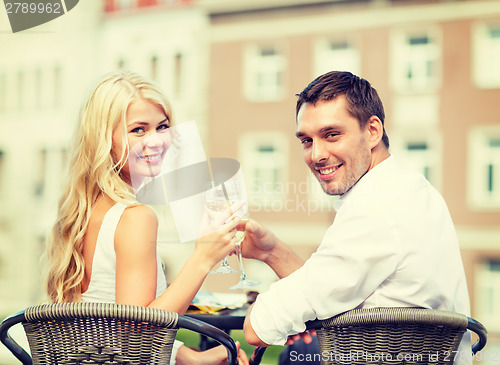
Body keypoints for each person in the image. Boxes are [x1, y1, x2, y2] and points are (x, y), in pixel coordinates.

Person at [241, 71, 472, 364]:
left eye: (331, 134)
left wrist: (261, 309)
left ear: (372, 131)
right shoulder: (411, 189)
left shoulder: (376, 208)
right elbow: (335, 288)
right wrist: (271, 251)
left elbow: (257, 329)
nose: (316, 155)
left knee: (287, 356)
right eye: (307, 141)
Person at [43, 70, 249, 365]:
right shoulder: (136, 217)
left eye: (162, 127)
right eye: (138, 130)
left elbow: (109, 327)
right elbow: (137, 333)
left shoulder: (85, 210)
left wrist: (189, 357)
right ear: (104, 139)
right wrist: (203, 257)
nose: (156, 141)